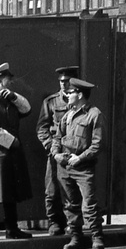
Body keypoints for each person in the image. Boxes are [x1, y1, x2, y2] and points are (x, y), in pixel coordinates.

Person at [54, 75, 104, 249]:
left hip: (83, 167)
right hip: (65, 166)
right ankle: (76, 238)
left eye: (70, 92)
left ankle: (97, 237)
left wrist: (80, 158)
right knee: (70, 204)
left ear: (80, 94)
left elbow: (97, 145)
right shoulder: (67, 115)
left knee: (89, 203)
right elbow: (57, 138)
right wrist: (56, 154)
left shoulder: (94, 114)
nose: (67, 95)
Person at [0, 61, 33, 241]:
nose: (11, 82)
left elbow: (27, 108)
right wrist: (10, 141)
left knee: (10, 191)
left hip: (9, 152)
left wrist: (14, 96)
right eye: (9, 79)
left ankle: (12, 228)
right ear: (0, 79)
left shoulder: (9, 99)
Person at [36, 65, 78, 237]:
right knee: (52, 189)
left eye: (67, 81)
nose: (63, 84)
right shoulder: (51, 102)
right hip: (56, 151)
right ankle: (54, 222)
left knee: (72, 190)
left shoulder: (80, 100)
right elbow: (42, 127)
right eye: (61, 81)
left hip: (74, 152)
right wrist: (50, 146)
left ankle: (72, 223)